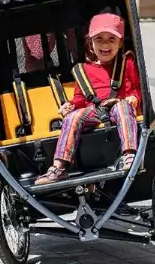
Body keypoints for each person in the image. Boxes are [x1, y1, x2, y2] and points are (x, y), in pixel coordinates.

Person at [35, 13, 141, 185]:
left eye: (111, 39)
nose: (105, 44)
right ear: (91, 43)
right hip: (93, 110)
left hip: (118, 105)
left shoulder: (126, 63)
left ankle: (129, 154)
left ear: (120, 43)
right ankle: (59, 167)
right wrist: (70, 105)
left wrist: (134, 98)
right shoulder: (83, 70)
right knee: (72, 117)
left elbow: (136, 88)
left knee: (122, 107)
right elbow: (79, 98)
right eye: (99, 39)